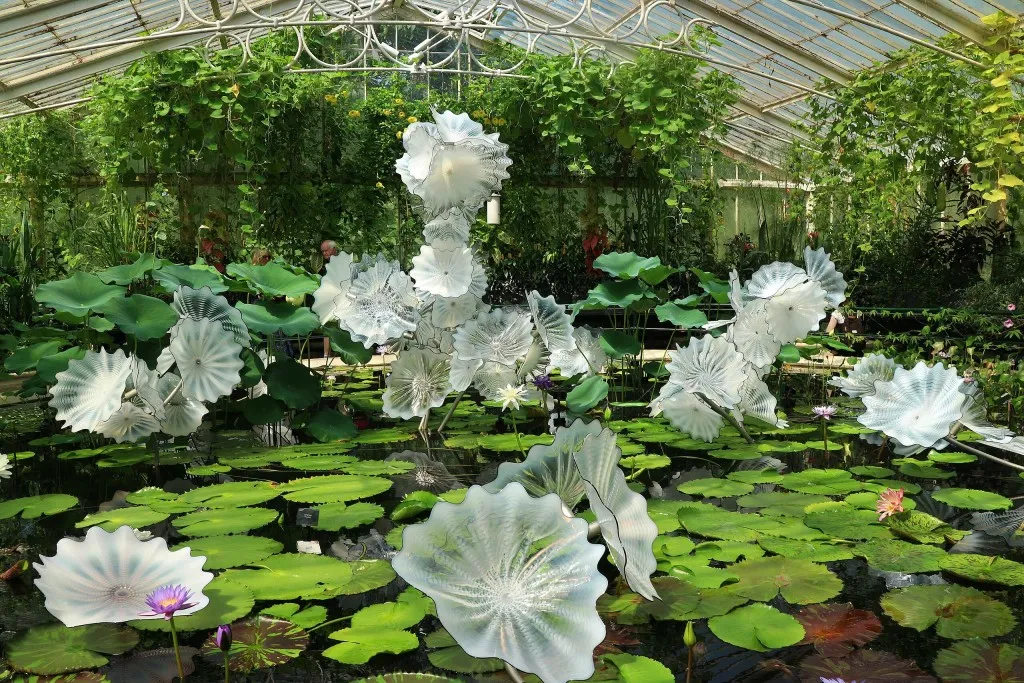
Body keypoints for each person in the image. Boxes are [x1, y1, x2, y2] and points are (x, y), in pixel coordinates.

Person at [321, 240, 340, 358]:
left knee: (340, 327)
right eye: (322, 251)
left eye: (326, 250)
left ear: (333, 249)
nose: (324, 253)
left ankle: (340, 352)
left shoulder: (342, 262)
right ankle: (326, 354)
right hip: (328, 300)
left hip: (341, 299)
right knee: (327, 326)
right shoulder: (323, 267)